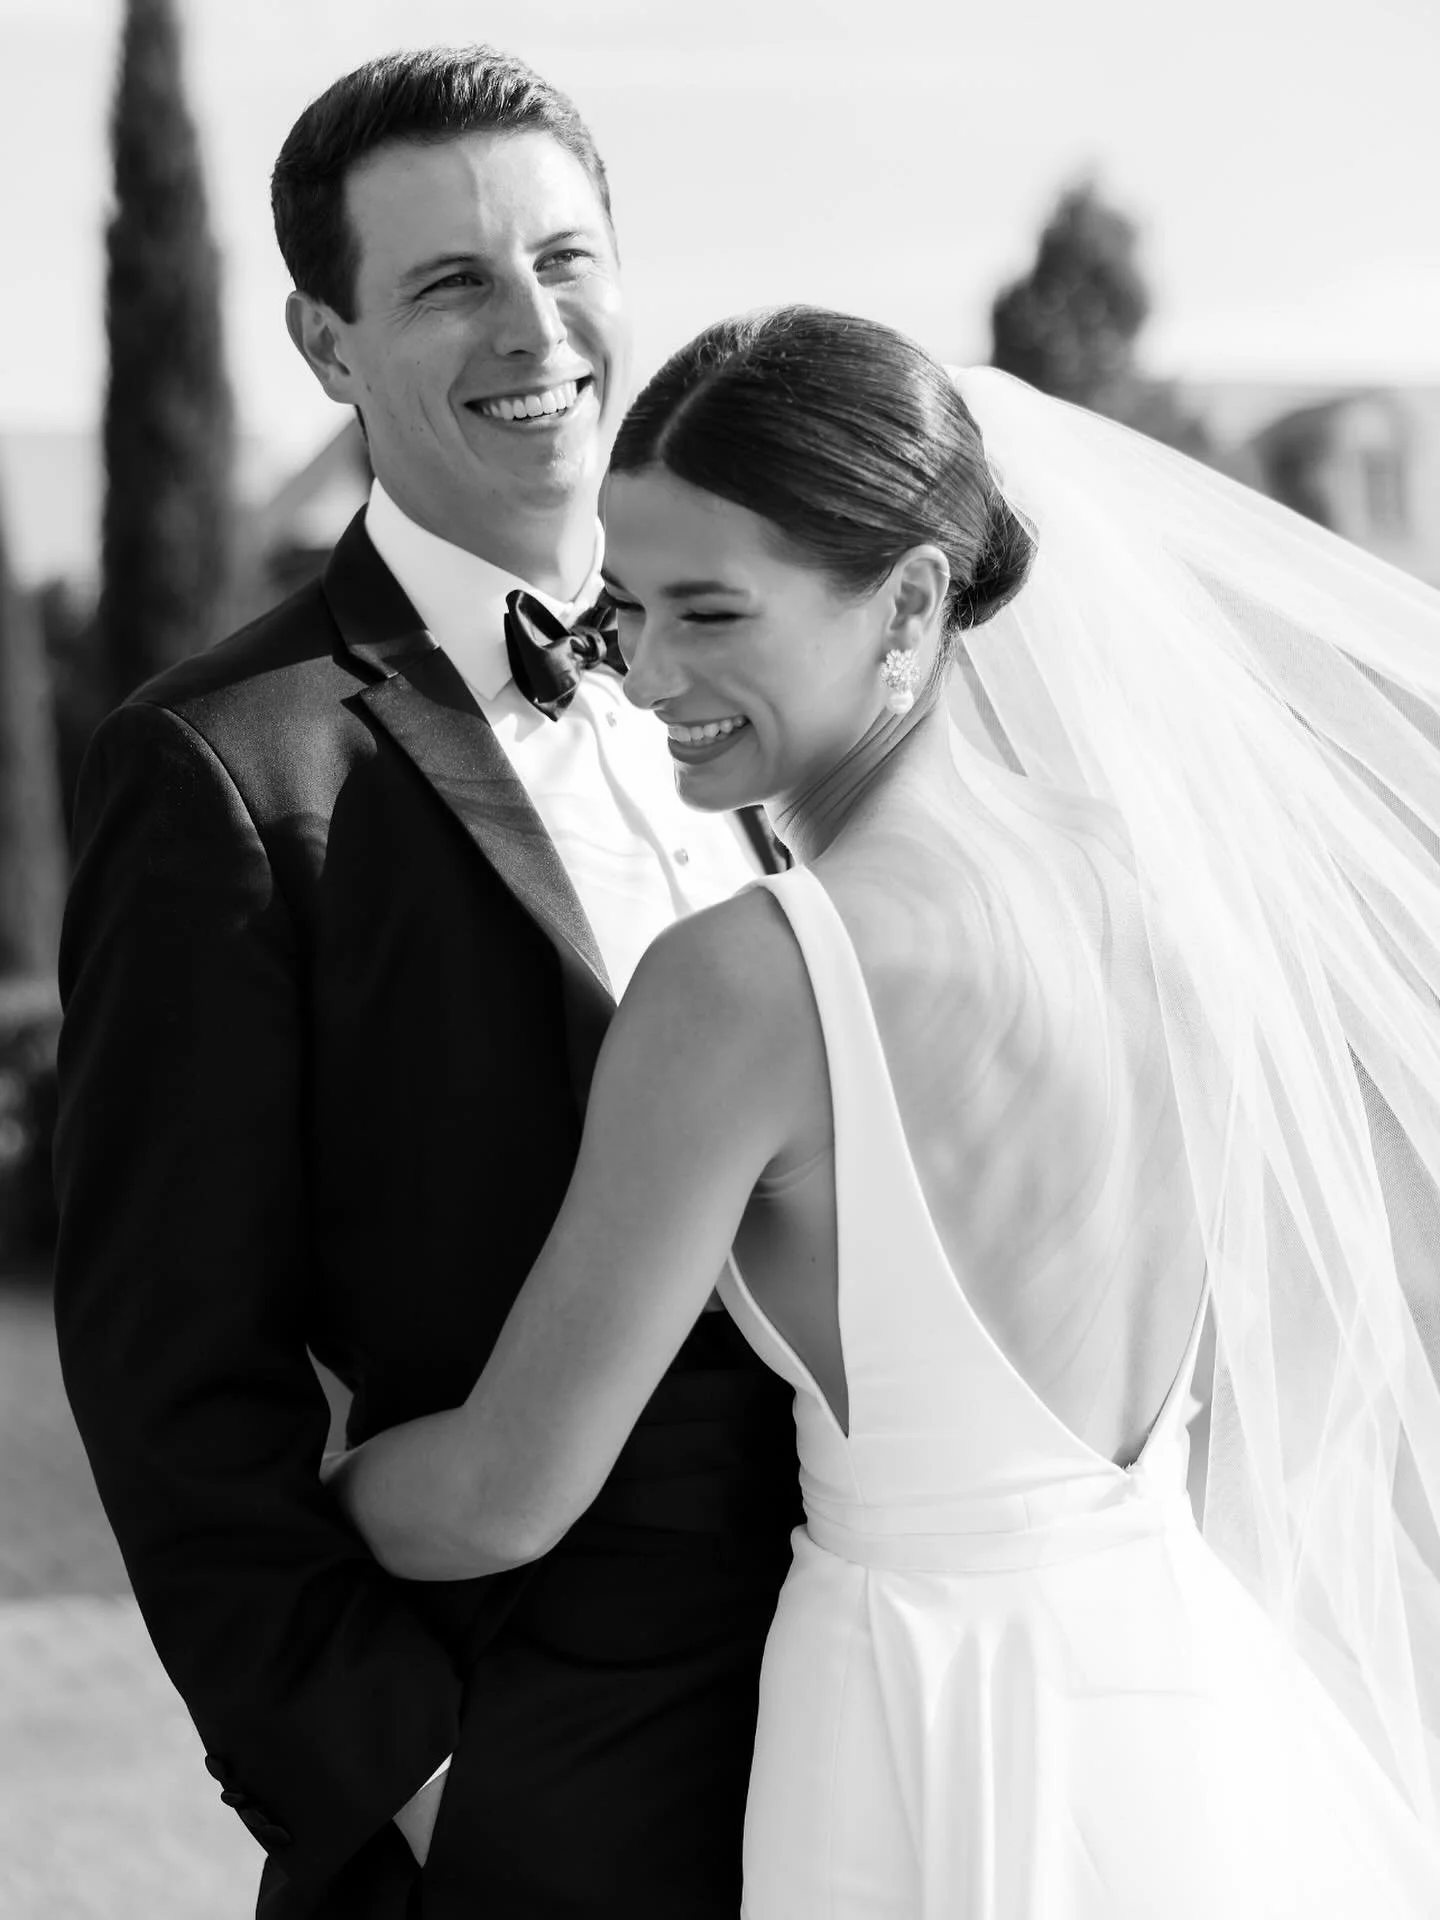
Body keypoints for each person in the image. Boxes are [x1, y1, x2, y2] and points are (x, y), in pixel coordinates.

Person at [326, 305, 1440, 1916]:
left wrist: (309, 1497)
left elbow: (507, 1494)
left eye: (713, 613)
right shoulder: (1159, 894)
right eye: (628, 611)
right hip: (1186, 1707)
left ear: (912, 602)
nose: (647, 675)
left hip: (918, 1730)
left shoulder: (747, 983)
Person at [52, 48, 798, 1920]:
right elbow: (171, 1380)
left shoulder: (808, 696)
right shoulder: (227, 766)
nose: (532, 325)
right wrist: (414, 1782)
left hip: (882, 1690)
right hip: (539, 1777)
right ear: (325, 341)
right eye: (451, 280)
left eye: (565, 259)